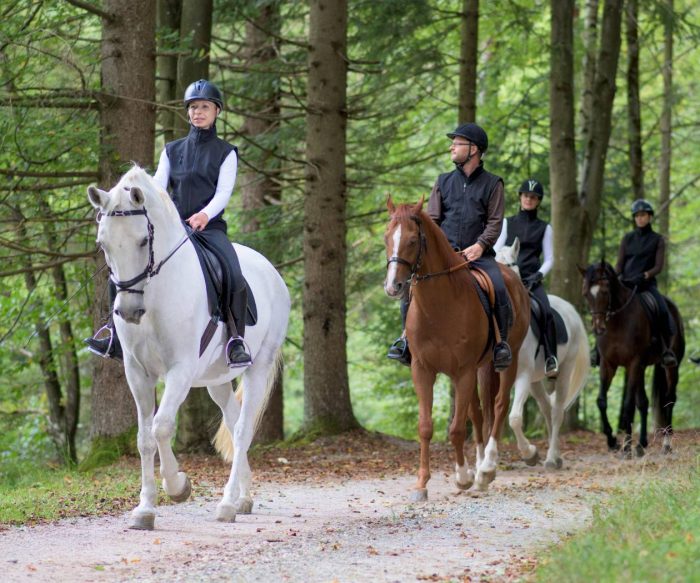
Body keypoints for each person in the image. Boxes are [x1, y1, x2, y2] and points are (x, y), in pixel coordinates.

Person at [85, 79, 251, 367]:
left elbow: (224, 192)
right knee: (123, 267)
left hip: (209, 229)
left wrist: (204, 215)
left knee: (233, 272)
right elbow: (158, 188)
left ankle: (236, 339)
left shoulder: (226, 153)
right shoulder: (172, 150)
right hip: (174, 230)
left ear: (216, 112)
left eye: (204, 107)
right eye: (193, 107)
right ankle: (113, 333)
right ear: (188, 112)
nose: (198, 112)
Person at [387, 122, 513, 371]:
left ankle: (500, 344)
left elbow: (495, 222)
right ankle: (404, 340)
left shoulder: (493, 183)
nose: (451, 148)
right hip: (444, 257)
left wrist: (480, 245)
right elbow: (432, 221)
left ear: (473, 149)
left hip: (478, 255)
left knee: (498, 287)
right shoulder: (443, 182)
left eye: (456, 143)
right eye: (452, 143)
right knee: (411, 289)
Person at [495, 179, 558, 378]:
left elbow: (549, 258)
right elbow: (497, 247)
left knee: (546, 312)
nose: (528, 200)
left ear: (538, 201)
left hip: (531, 280)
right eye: (525, 196)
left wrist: (538, 275)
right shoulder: (508, 222)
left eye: (533, 197)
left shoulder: (544, 228)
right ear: (520, 198)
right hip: (506, 276)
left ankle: (550, 357)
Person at [614, 198, 677, 367]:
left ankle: (666, 350)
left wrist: (645, 275)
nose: (640, 218)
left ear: (649, 217)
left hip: (646, 285)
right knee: (605, 306)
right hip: (626, 284)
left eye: (643, 215)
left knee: (662, 309)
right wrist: (614, 277)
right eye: (637, 216)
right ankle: (597, 350)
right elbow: (619, 264)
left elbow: (658, 266)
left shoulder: (657, 239)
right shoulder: (627, 238)